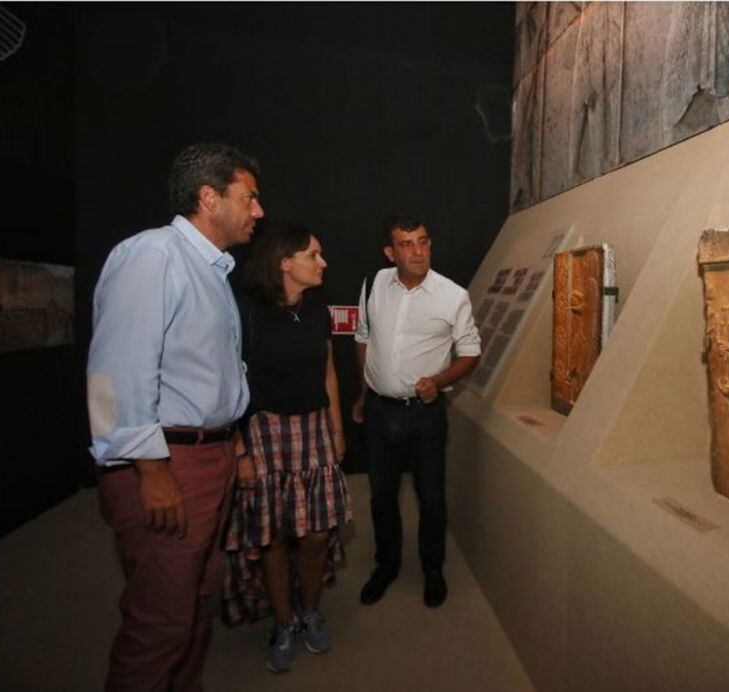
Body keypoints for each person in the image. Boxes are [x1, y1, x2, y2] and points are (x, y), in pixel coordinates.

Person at [87, 142, 262, 690]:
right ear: (209, 197)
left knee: (193, 604)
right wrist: (150, 469)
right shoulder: (153, 256)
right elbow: (115, 373)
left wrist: (232, 446)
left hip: (204, 457)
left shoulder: (210, 270)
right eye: (249, 198)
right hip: (169, 464)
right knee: (160, 622)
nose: (258, 211)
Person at [222, 225, 353, 674]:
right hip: (264, 432)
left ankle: (309, 610)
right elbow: (230, 383)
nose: (323, 263)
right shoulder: (248, 313)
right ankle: (283, 622)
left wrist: (336, 431)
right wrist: (239, 450)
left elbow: (329, 373)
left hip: (314, 429)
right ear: (284, 261)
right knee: (273, 535)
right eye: (313, 255)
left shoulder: (318, 312)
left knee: (316, 533)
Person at [352, 213, 480, 608]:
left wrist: (439, 381)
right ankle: (386, 566)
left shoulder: (452, 295)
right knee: (381, 495)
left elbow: (471, 353)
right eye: (406, 244)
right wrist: (363, 392)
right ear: (390, 252)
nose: (417, 251)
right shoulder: (373, 284)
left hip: (424, 415)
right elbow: (362, 339)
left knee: (430, 496)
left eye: (423, 241)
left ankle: (432, 570)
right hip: (379, 411)